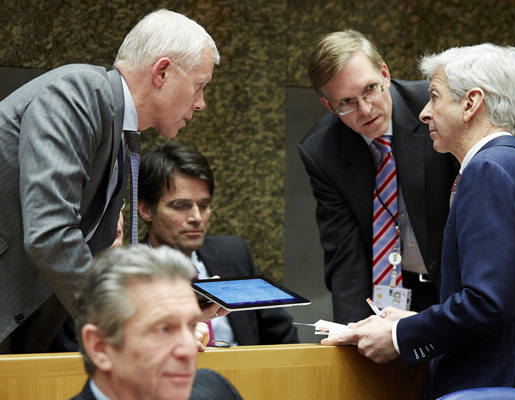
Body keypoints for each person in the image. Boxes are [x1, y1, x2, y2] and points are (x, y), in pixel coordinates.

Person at [323, 43, 515, 400]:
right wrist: (414, 321)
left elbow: (486, 302)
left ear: (470, 104)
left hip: (488, 387)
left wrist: (399, 336)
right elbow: (510, 301)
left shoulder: (486, 172)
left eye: (435, 97)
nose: (424, 113)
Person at [0, 9, 219, 353]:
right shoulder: (81, 92)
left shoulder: (120, 131)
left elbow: (94, 261)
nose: (201, 103)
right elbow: (51, 234)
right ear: (162, 72)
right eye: (199, 86)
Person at [298, 30, 458, 324]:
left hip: (457, 287)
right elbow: (345, 256)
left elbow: (485, 206)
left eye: (370, 89)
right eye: (347, 102)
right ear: (328, 106)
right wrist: (354, 333)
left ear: (385, 73)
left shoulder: (433, 106)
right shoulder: (322, 151)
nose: (365, 109)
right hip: (394, 292)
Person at [138, 141, 299, 346]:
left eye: (204, 205)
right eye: (181, 206)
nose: (197, 217)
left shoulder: (233, 254)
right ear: (145, 210)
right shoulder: (128, 274)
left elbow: (282, 334)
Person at [70, 245, 242, 400]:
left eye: (191, 326)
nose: (189, 350)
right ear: (100, 347)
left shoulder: (217, 392)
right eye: (163, 329)